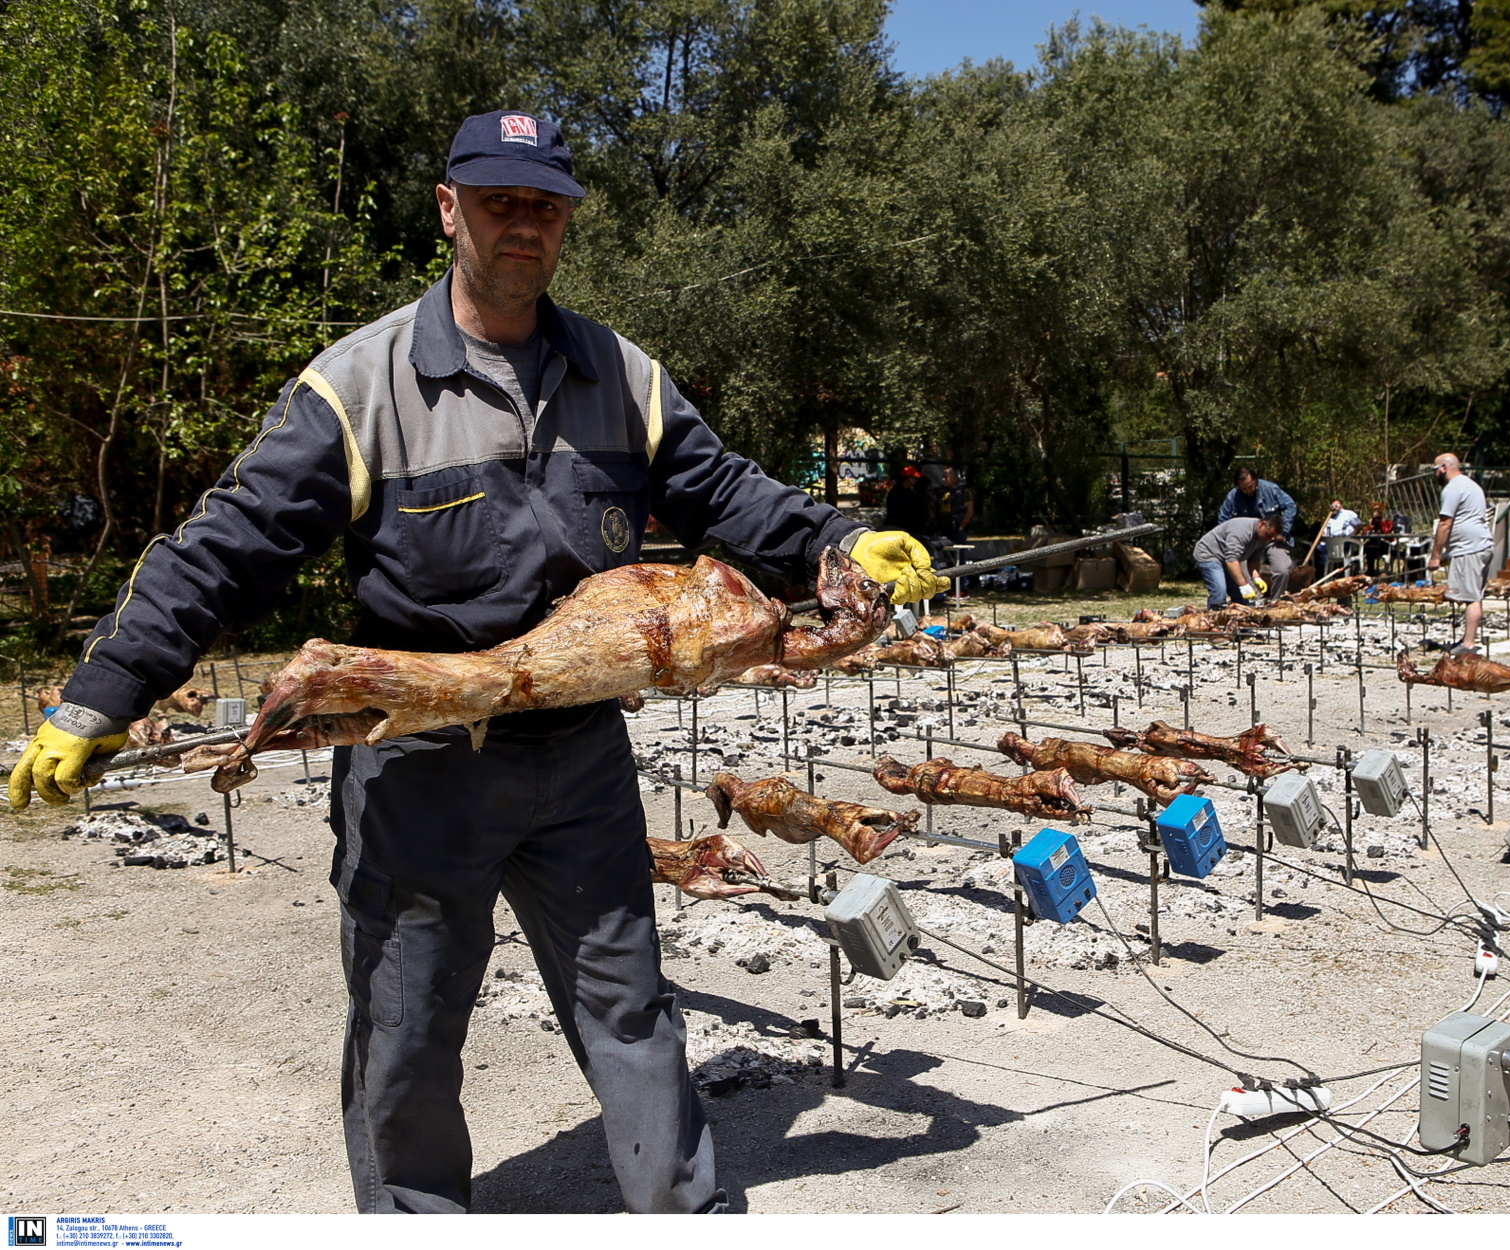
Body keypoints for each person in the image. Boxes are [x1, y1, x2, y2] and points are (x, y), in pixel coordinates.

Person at [8, 109, 948, 1214]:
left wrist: (833, 541)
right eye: (501, 202)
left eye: (544, 208)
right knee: (407, 1032)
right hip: (419, 770)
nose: (524, 227)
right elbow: (225, 547)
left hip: (581, 760)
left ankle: (686, 1216)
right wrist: (101, 693)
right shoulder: (358, 388)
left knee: (631, 1008)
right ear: (450, 209)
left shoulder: (619, 372)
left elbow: (724, 490)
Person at [1427, 454, 1494, 654]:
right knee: (1472, 595)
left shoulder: (1453, 488)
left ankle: (1468, 645)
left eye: (1435, 470)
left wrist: (1436, 556)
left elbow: (1445, 523)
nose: (1435, 474)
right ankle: (1467, 640)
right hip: (1478, 545)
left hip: (1469, 548)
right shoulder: (1472, 485)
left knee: (1471, 597)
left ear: (1444, 468)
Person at [1217, 467, 1297, 596]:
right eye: (1244, 488)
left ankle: (1276, 602)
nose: (1248, 490)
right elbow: (1223, 521)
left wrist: (1283, 532)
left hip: (1272, 539)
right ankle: (1253, 604)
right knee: (1240, 572)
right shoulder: (1232, 497)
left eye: (1251, 486)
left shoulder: (1271, 489)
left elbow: (1290, 506)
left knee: (1282, 570)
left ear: (1256, 481)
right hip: (1246, 542)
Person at [1193, 512, 1285, 607]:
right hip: (1209, 554)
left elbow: (1254, 560)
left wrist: (1257, 578)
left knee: (1242, 598)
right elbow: (1231, 561)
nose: (1269, 540)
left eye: (1272, 537)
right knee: (1219, 591)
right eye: (1268, 535)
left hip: (1226, 558)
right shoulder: (1242, 530)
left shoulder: (1263, 539)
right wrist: (1244, 586)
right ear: (1262, 524)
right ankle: (1214, 616)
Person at [1319, 499, 1360, 573]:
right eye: (1332, 506)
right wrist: (1323, 534)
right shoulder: (1329, 518)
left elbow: (1359, 525)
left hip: (1344, 542)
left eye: (1336, 506)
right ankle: (1325, 573)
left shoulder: (1348, 514)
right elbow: (1324, 531)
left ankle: (1338, 572)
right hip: (1330, 543)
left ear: (1341, 506)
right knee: (1319, 549)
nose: (1334, 508)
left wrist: (1352, 535)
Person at [1361, 502, 1394, 576]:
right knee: (1368, 547)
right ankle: (1369, 570)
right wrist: (1370, 526)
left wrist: (1381, 523)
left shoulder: (1388, 523)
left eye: (1378, 509)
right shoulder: (1372, 523)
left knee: (1371, 546)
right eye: (1374, 510)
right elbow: (1364, 534)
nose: (1376, 512)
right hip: (1373, 546)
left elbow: (1387, 534)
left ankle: (1371, 571)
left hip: (1385, 545)